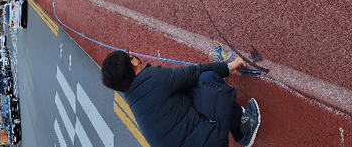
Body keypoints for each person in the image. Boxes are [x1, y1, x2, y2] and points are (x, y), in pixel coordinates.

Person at [101, 51, 261, 147]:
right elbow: (193, 73)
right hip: (209, 142)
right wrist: (227, 67)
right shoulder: (151, 78)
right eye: (130, 55)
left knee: (188, 91)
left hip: (197, 140)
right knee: (208, 78)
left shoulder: (133, 101)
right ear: (134, 62)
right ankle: (243, 130)